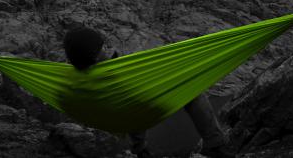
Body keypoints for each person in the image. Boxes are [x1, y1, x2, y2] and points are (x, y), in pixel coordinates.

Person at [63, 26, 235, 158]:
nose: (104, 48)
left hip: (121, 118)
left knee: (131, 104)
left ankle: (140, 151)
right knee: (193, 91)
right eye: (101, 47)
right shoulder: (116, 69)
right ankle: (214, 143)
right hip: (137, 110)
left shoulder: (74, 79)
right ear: (94, 54)